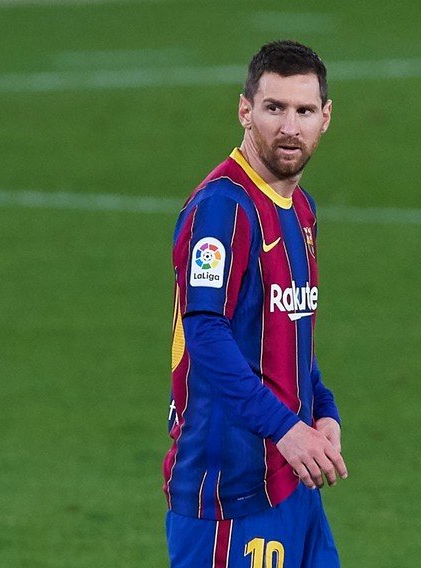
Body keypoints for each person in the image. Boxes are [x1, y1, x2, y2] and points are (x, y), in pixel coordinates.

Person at [163, 40, 348, 568]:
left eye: (304, 111)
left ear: (325, 118)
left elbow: (290, 334)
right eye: (274, 108)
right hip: (230, 491)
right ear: (245, 110)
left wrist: (323, 409)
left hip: (292, 482)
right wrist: (287, 429)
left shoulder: (301, 209)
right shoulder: (223, 207)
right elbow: (206, 334)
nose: (289, 127)